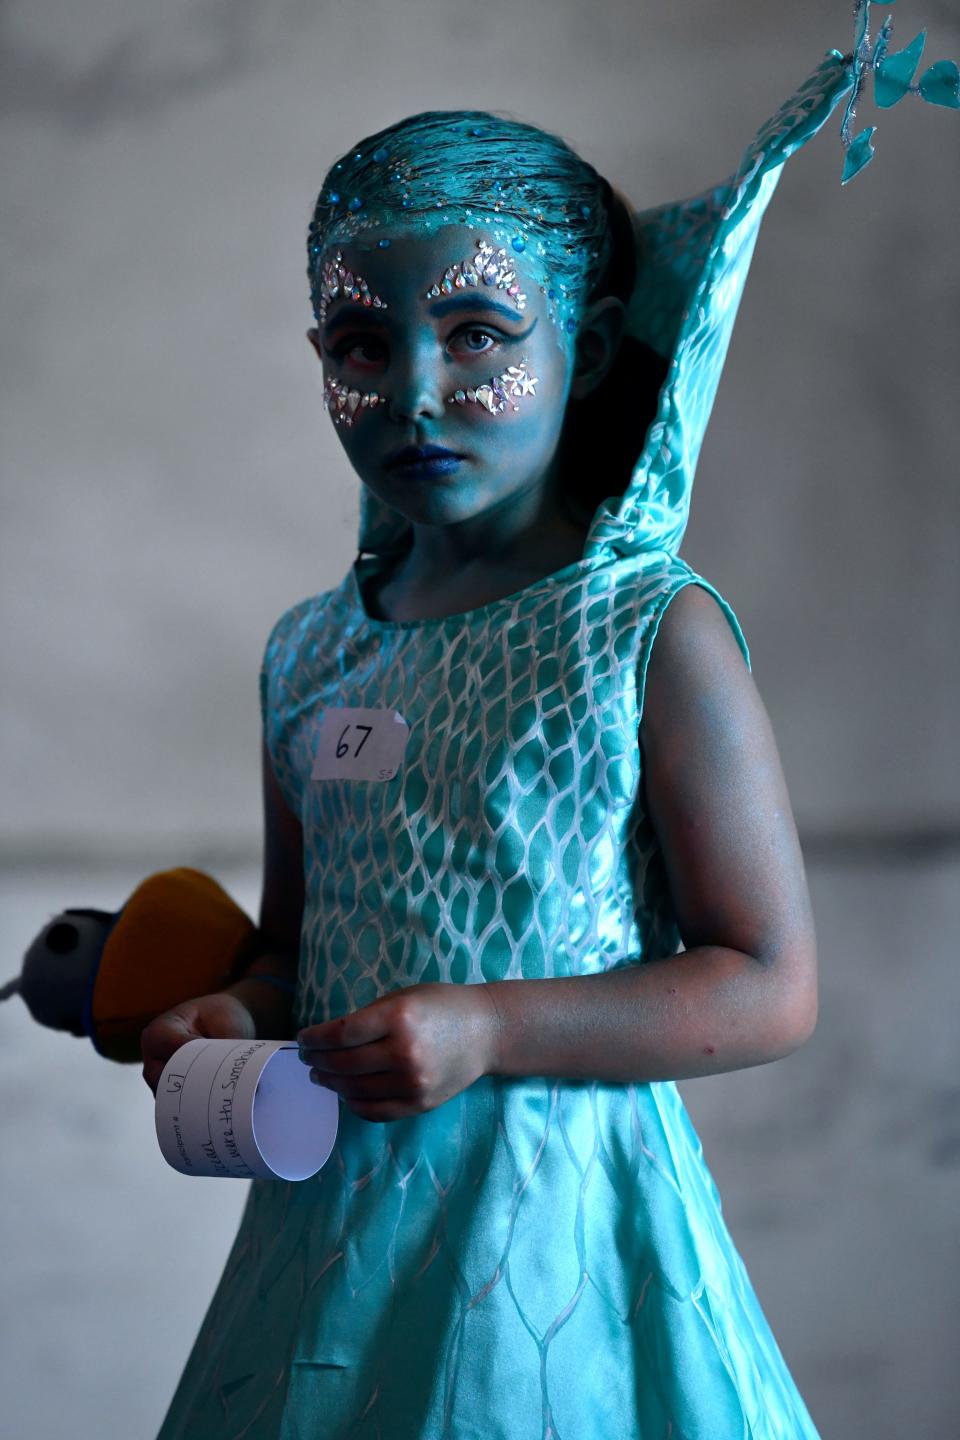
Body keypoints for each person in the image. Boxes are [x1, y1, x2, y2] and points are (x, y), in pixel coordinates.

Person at [141, 50, 858, 1440]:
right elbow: (298, 955)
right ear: (319, 361)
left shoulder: (651, 636)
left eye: (477, 333)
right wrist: (233, 1018)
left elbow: (769, 985)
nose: (413, 387)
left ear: (583, 352)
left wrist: (494, 1027)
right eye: (362, 345)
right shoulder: (308, 654)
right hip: (327, 1254)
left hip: (567, 1240)